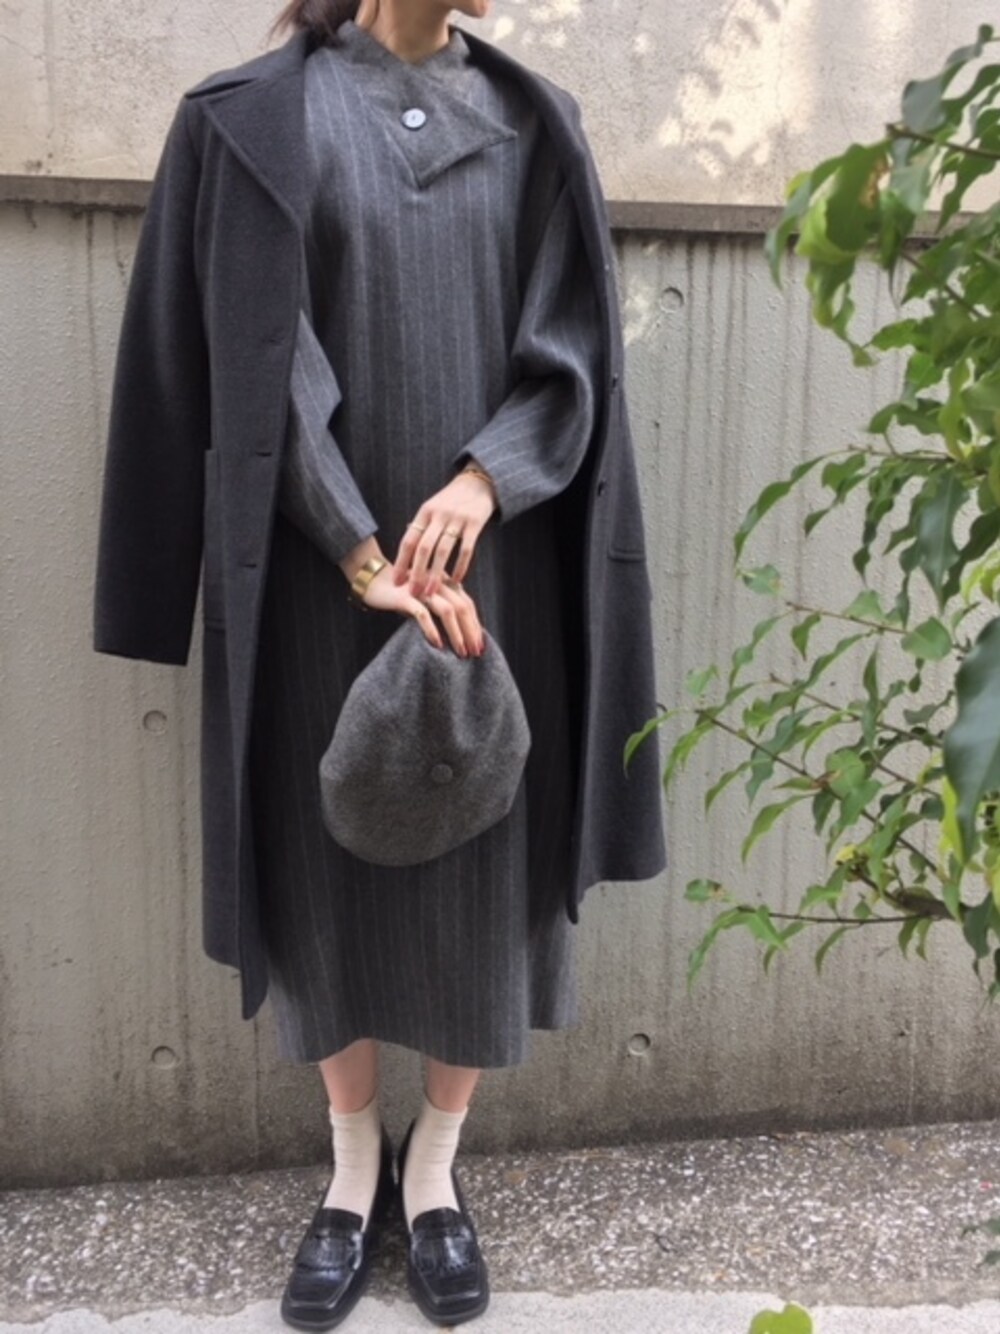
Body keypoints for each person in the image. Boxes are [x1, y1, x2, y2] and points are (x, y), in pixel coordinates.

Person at [92, 0, 667, 1328]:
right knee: (321, 869)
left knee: (486, 870)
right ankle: (354, 1168)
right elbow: (249, 356)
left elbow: (576, 350)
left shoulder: (538, 123)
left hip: (494, 573)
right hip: (310, 570)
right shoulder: (249, 120)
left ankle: (437, 1169)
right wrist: (356, 548)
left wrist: (486, 478)